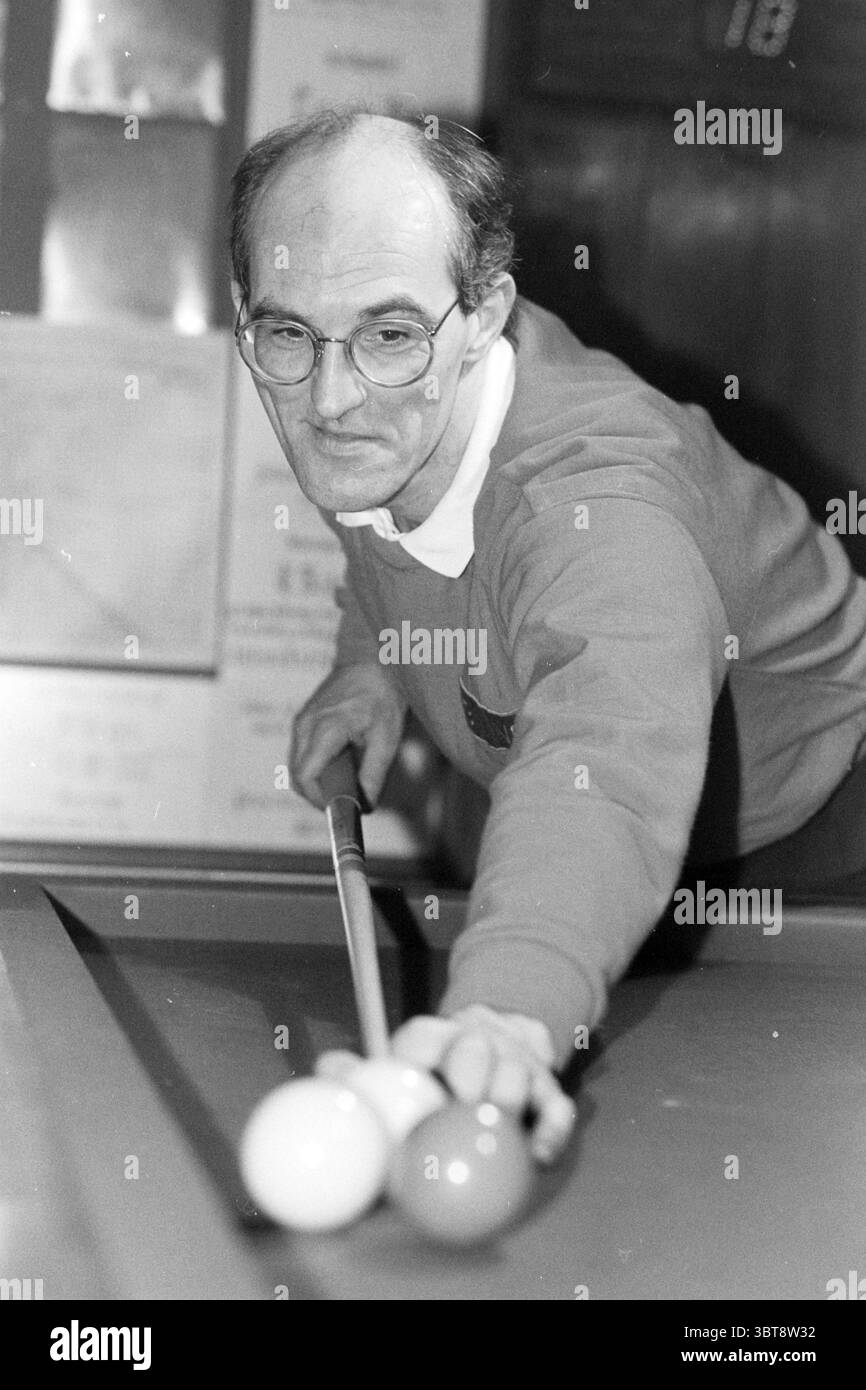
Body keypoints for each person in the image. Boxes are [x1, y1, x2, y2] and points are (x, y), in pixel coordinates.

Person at [229, 108, 866, 1162]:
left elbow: (602, 758)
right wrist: (371, 665)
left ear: (483, 315)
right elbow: (385, 537)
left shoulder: (597, 508)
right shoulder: (380, 410)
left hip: (823, 844)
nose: (330, 396)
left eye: (389, 334)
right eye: (287, 334)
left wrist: (506, 1009)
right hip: (617, 862)